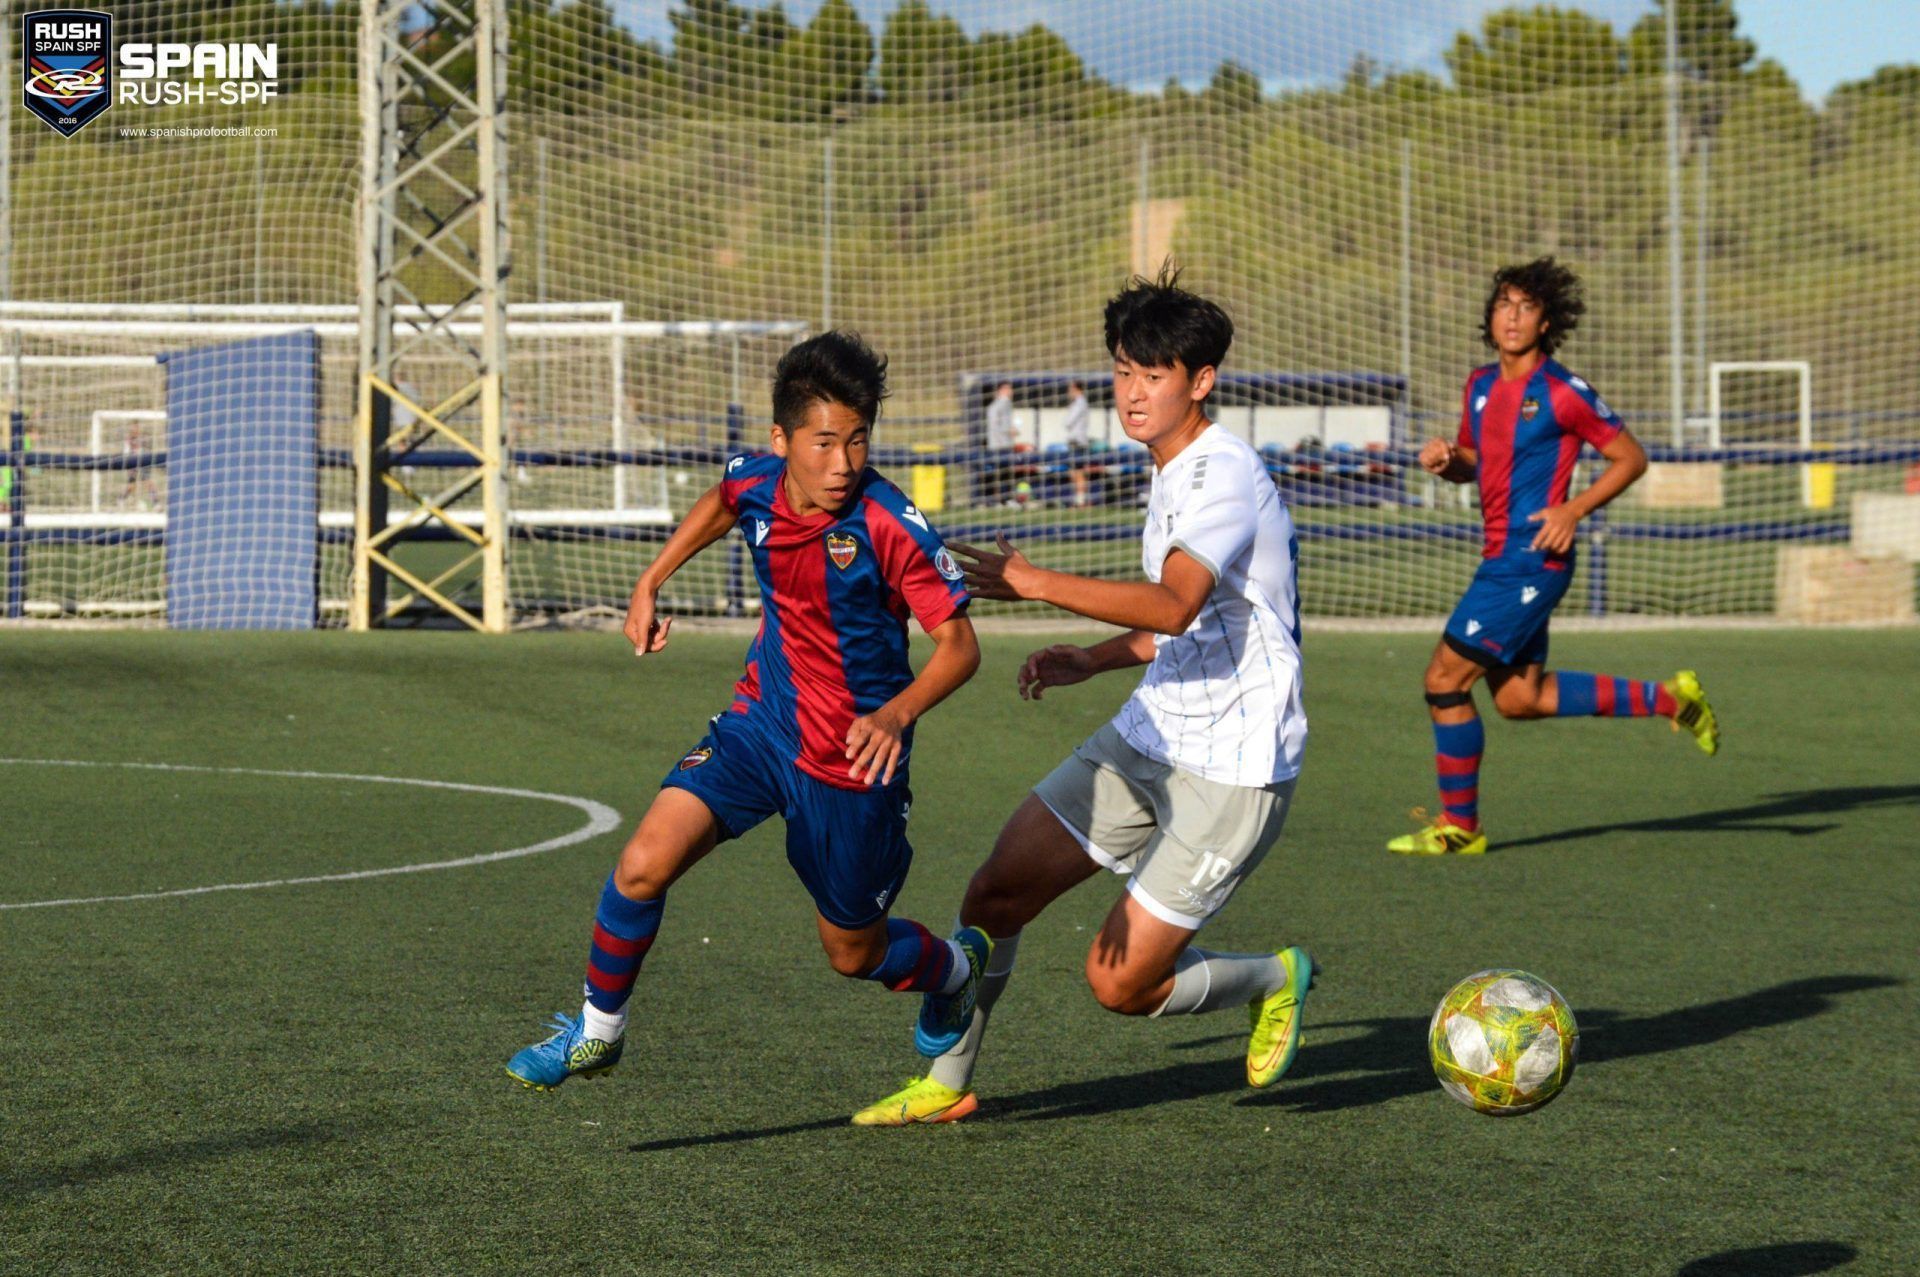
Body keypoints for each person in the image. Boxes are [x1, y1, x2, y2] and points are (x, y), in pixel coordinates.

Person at [853, 269, 1315, 1126]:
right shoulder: (1170, 467)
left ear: (1200, 380)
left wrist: (1034, 583)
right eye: (1123, 371)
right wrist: (1095, 660)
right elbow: (1194, 623)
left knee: (1120, 983)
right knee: (995, 894)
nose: (1133, 393)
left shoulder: (1223, 475)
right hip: (1153, 729)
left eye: (1155, 375)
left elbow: (1177, 602)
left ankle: (1276, 977)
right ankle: (945, 1084)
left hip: (1234, 765)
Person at [507, 331, 987, 1091]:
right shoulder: (758, 480)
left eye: (858, 441)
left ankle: (955, 968)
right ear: (782, 438)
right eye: (824, 442)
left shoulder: (891, 522)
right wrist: (650, 579)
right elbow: (725, 499)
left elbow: (960, 646)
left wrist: (898, 712)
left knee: (851, 953)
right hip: (761, 724)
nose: (842, 463)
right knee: (640, 865)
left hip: (850, 763)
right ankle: (598, 1030)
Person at [1387, 258, 1720, 858]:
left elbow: (1631, 458)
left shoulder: (1564, 391)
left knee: (1443, 680)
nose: (1513, 316)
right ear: (1490, 316)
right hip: (1501, 557)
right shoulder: (1480, 385)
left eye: (1527, 307)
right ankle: (1673, 700)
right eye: (1504, 304)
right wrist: (1447, 462)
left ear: (1546, 322)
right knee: (1519, 700)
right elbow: (1473, 461)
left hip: (1532, 560)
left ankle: (1460, 827)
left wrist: (1572, 511)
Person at [984, 380, 1017, 506]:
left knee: (1004, 472)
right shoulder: (1000, 404)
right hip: (1000, 444)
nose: (1010, 391)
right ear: (1000, 391)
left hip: (1004, 443)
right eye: (1007, 389)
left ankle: (1003, 499)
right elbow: (994, 424)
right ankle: (1000, 500)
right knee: (1001, 473)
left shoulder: (1004, 403)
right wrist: (1008, 430)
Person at [1062, 378, 1092, 507]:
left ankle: (1081, 501)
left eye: (1070, 389)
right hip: (1074, 442)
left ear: (1076, 389)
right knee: (1074, 472)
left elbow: (1068, 422)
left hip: (1078, 442)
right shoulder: (1078, 403)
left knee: (1078, 473)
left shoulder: (1080, 403)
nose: (1068, 391)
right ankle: (1079, 499)